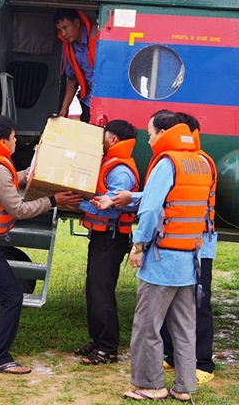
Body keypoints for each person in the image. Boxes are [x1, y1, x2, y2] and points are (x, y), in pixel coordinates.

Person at [92, 112, 218, 384]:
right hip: (192, 256)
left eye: (149, 134)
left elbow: (151, 210)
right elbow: (177, 197)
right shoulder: (202, 162)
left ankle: (150, 385)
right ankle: (186, 386)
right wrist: (129, 197)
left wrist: (137, 246)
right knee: (185, 326)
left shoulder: (168, 163)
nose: (147, 141)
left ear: (164, 133)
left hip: (164, 258)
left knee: (148, 327)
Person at [0, 114, 82, 374]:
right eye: (14, 137)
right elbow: (18, 209)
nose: (15, 141)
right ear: (4, 139)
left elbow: (7, 181)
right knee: (12, 296)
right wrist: (54, 201)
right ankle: (0, 359)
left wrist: (29, 175)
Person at [75, 120, 139, 365]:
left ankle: (108, 349)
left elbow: (112, 209)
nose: (100, 140)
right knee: (93, 290)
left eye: (104, 136)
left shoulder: (120, 171)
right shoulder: (109, 164)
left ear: (113, 140)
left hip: (111, 238)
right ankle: (97, 340)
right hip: (101, 236)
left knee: (102, 293)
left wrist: (76, 204)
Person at [161, 112, 218, 384]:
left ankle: (204, 363)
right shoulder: (180, 161)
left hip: (198, 248)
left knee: (198, 303)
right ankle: (172, 355)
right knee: (173, 302)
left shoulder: (200, 162)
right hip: (180, 245)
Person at [54, 8, 96, 122]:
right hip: (88, 101)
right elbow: (72, 78)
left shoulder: (98, 38)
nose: (63, 34)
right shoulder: (68, 48)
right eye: (60, 30)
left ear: (77, 23)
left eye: (65, 28)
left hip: (107, 100)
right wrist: (65, 108)